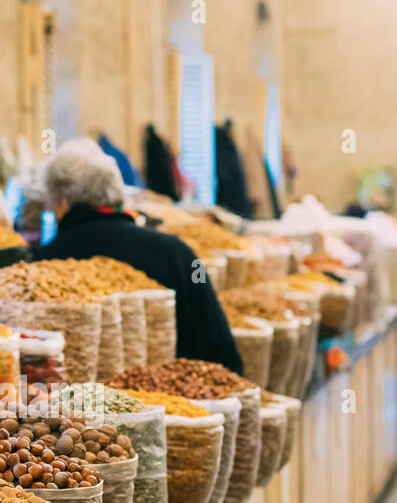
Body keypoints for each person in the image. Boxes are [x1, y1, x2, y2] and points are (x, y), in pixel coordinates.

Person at [33, 138, 243, 373]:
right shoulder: (183, 256)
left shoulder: (42, 264)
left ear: (62, 202)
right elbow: (219, 344)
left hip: (79, 406)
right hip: (178, 400)